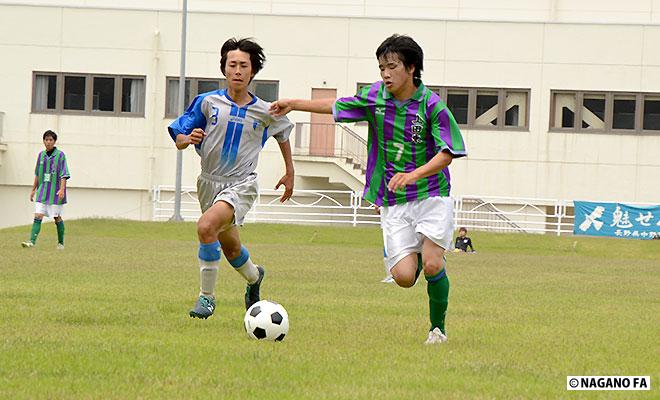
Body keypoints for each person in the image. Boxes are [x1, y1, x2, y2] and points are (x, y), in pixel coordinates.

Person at [271, 34, 466, 344]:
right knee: (403, 278)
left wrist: (412, 175)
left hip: (432, 195)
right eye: (381, 68)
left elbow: (448, 154)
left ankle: (437, 330)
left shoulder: (432, 106)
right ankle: (411, 257)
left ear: (411, 68)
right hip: (393, 201)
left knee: (433, 264)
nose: (385, 74)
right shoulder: (375, 98)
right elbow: (336, 105)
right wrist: (293, 104)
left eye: (392, 67)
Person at [168, 38, 295, 319]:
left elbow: (283, 133)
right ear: (224, 68)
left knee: (205, 227)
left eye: (243, 65)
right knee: (229, 246)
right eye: (232, 64)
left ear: (252, 71)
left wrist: (289, 171)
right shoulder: (207, 102)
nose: (237, 70)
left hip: (242, 183)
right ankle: (254, 278)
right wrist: (187, 139)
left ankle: (207, 299)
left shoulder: (265, 110)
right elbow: (178, 135)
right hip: (209, 182)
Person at [21, 130, 70, 249]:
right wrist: (33, 190)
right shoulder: (41, 156)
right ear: (43, 141)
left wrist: (62, 189)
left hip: (55, 193)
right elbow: (38, 174)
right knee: (38, 215)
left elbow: (64, 174)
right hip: (42, 192)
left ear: (54, 141)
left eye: (50, 140)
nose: (48, 142)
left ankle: (61, 243)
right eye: (46, 140)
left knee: (56, 217)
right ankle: (31, 242)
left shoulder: (60, 155)